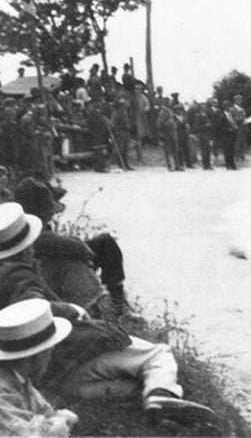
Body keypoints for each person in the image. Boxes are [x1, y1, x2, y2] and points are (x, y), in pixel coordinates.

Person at [0, 202, 218, 428]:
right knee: (158, 354)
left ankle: (152, 403)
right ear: (26, 247)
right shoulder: (17, 274)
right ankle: (161, 395)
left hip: (41, 377)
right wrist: (72, 310)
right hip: (63, 355)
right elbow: (32, 305)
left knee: (128, 387)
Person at [14, 177, 128, 319]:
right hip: (41, 278)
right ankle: (102, 310)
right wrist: (85, 255)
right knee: (73, 262)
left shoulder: (20, 225)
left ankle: (117, 302)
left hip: (42, 272)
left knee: (103, 243)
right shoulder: (29, 230)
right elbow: (79, 249)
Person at [0, 298, 78, 437]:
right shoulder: (3, 389)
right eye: (49, 352)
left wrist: (57, 418)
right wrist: (59, 422)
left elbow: (44, 411)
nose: (50, 358)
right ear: (36, 355)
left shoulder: (19, 376)